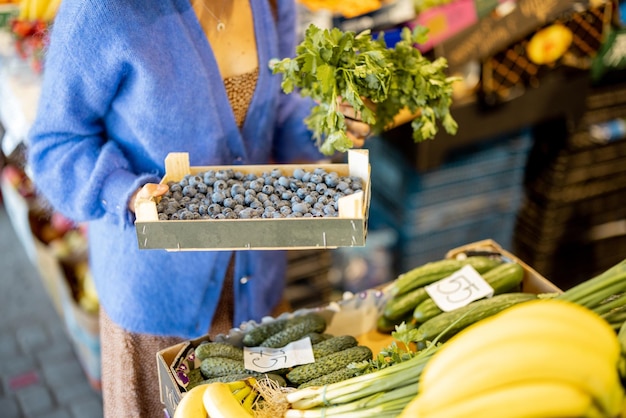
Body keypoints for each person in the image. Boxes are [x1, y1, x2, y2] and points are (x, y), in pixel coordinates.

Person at [27, 0, 371, 417]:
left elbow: (278, 110)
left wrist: (328, 124)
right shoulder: (103, 11)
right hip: (159, 304)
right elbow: (56, 145)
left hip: (256, 286)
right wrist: (127, 193)